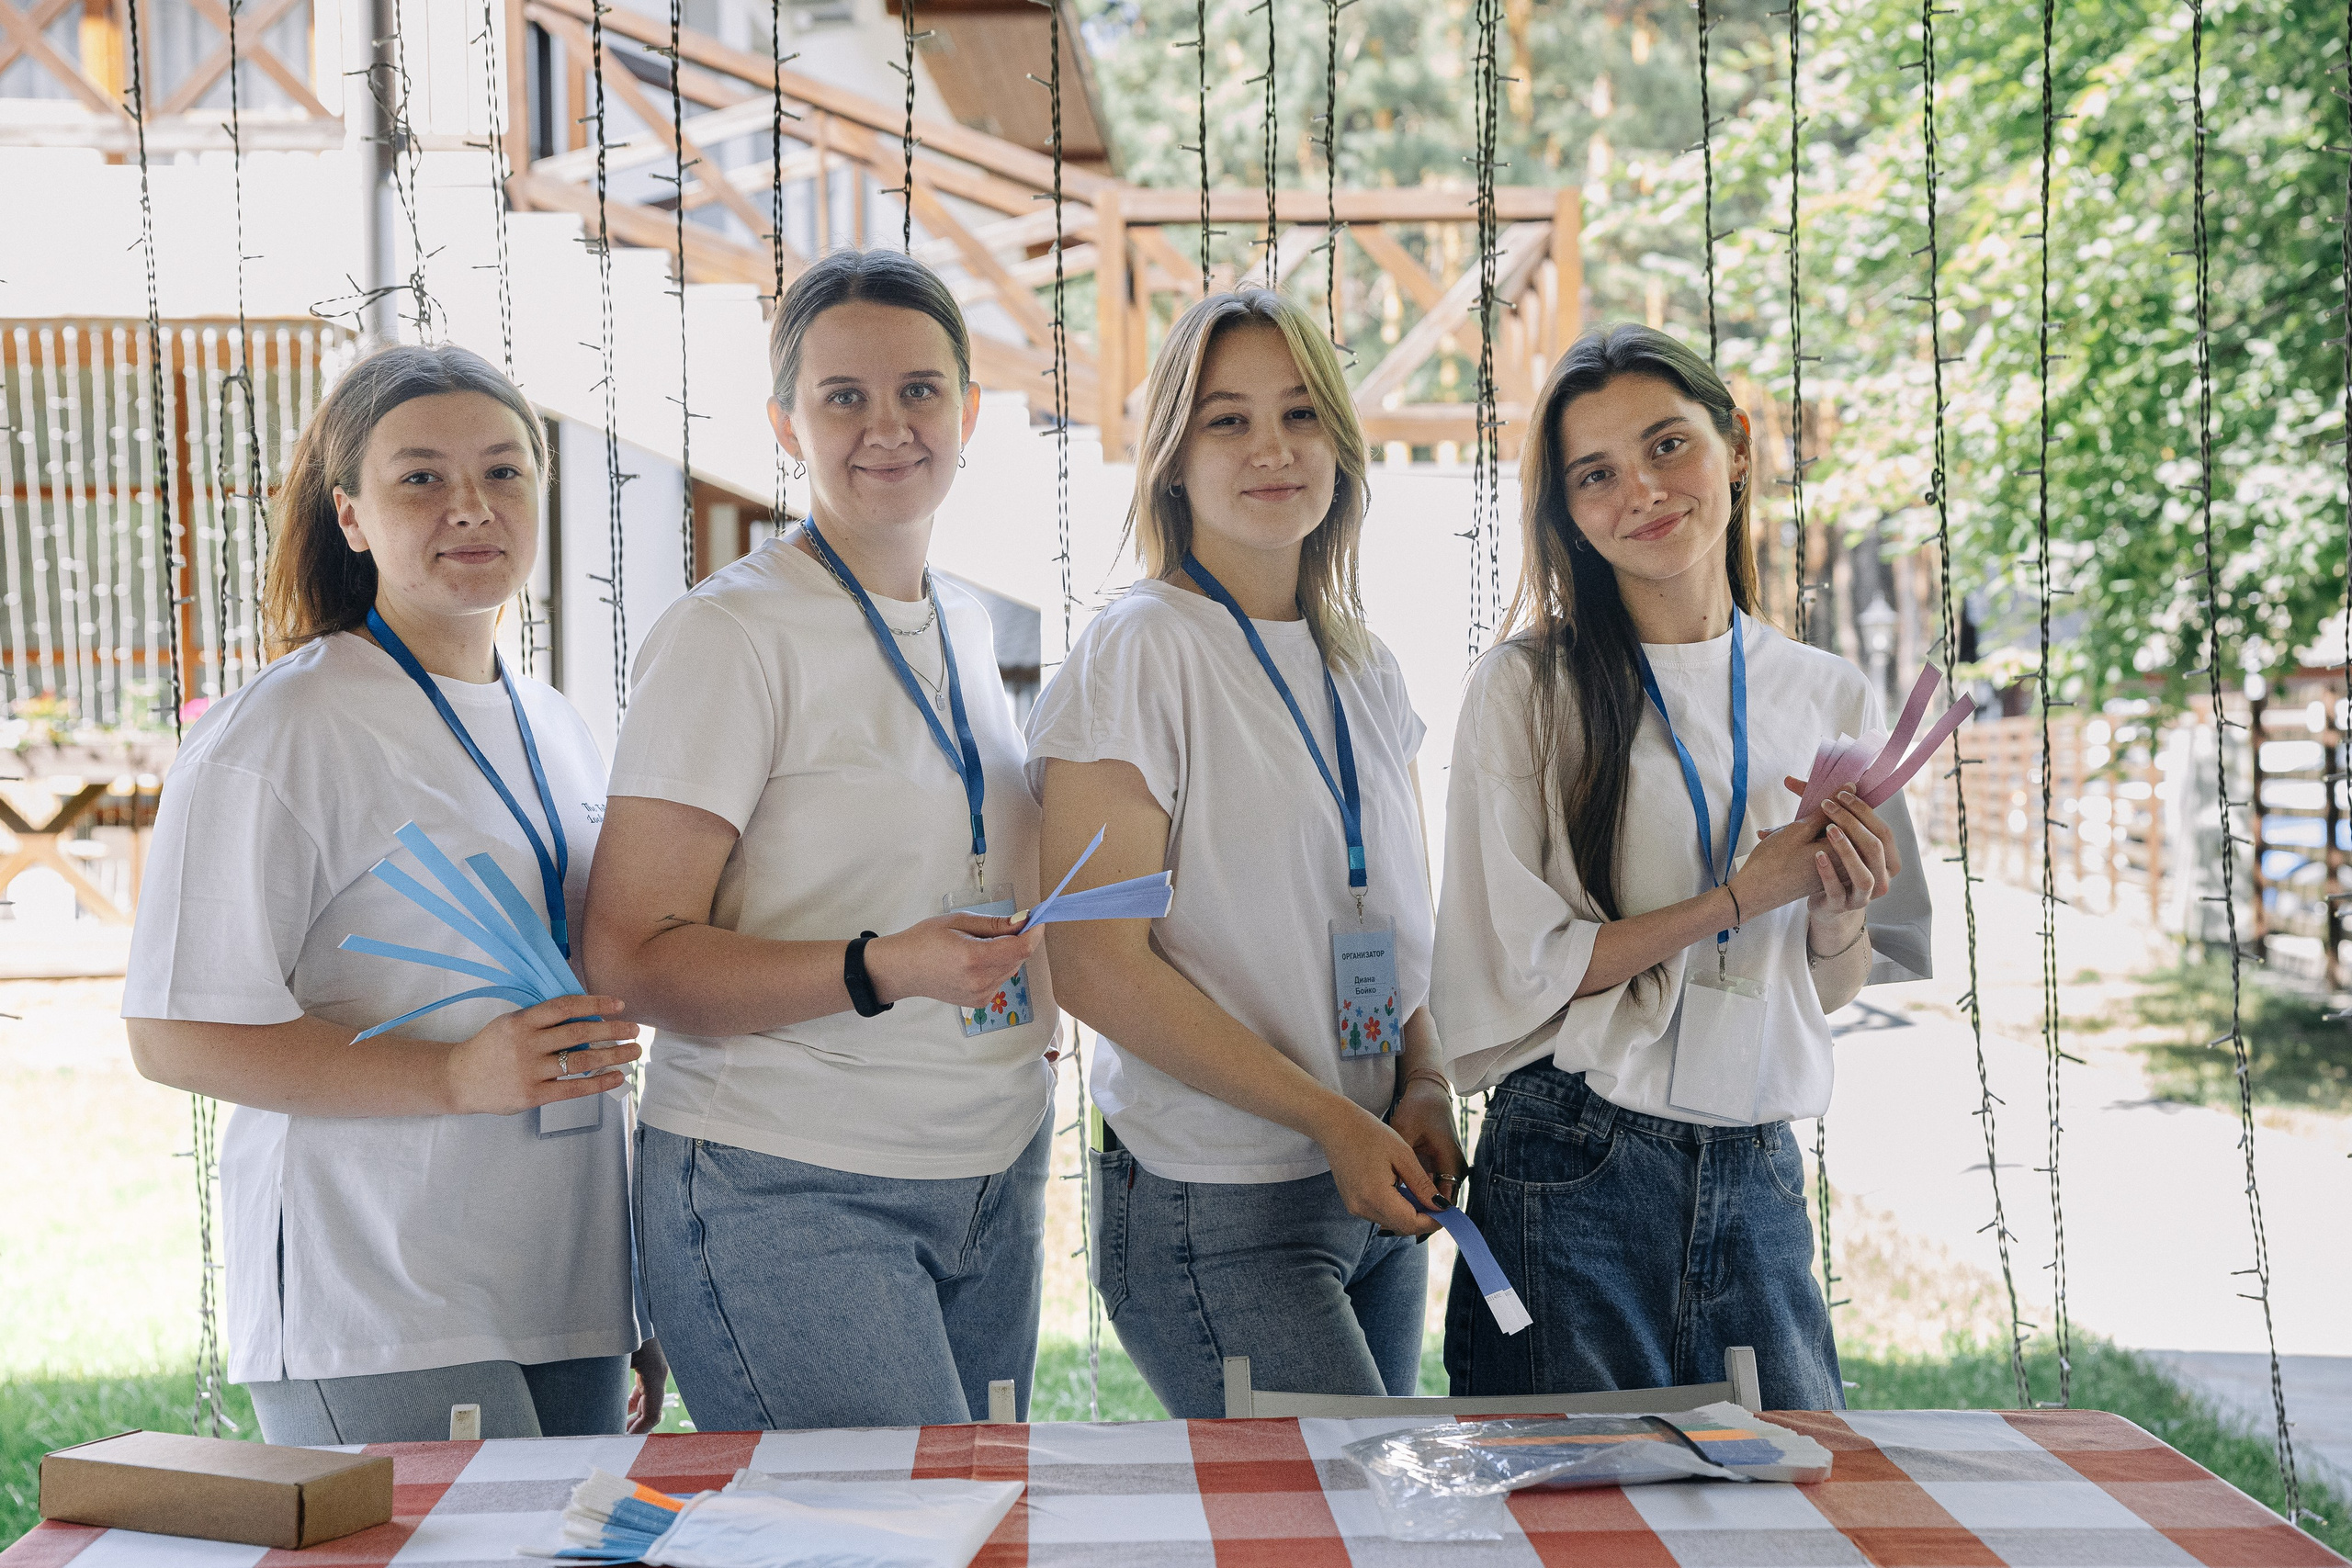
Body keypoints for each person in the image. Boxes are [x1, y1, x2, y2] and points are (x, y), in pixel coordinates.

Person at [123, 344, 662, 1444]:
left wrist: (633, 1288)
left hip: (567, 1285)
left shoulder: (556, 723)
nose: (471, 506)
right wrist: (459, 1075)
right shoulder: (284, 729)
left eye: (505, 472)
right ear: (352, 516)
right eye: (420, 476)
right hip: (375, 1294)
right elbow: (173, 1034)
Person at [584, 248, 1053, 1433]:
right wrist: (881, 966)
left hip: (990, 1171)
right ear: (785, 424)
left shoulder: (964, 619)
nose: (886, 425)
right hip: (786, 1183)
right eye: (842, 396)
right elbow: (631, 955)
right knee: (887, 1543)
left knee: (982, 1531)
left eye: (919, 390)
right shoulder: (729, 635)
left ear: (970, 412)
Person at [1430, 323, 1932, 1411]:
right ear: (1565, 510)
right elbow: (1525, 970)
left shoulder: (1829, 693)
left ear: (1736, 449)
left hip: (1757, 1164)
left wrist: (1836, 911)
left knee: (1791, 1511)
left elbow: (1833, 986)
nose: (1643, 493)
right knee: (1580, 1520)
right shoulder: (1527, 690)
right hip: (1575, 1155)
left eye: (1668, 447)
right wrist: (1738, 898)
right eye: (1595, 475)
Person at [1027, 289, 1464, 1419]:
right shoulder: (1140, 649)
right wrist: (1332, 1119)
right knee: (1349, 1523)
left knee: (1376, 1524)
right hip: (1218, 1200)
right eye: (1227, 421)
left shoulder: (1364, 664)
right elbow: (1094, 967)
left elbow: (1384, 911)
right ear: (1172, 459)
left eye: (1300, 414)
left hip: (1373, 1184)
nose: (1271, 450)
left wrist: (1422, 1079)